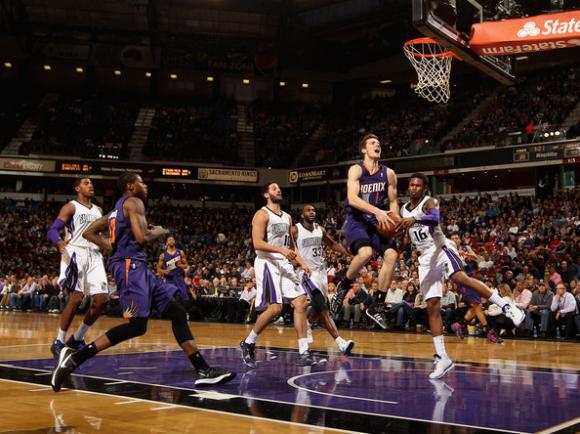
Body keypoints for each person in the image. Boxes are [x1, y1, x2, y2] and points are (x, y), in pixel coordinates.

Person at [50, 173, 234, 392]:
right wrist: (158, 231)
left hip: (137, 266)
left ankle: (203, 369)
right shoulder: (134, 202)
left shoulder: (115, 210)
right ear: (130, 186)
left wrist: (113, 248)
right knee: (137, 326)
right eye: (141, 182)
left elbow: (89, 232)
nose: (145, 186)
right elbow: (142, 238)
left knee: (176, 312)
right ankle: (74, 359)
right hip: (130, 268)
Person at [396, 173, 525, 379]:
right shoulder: (403, 210)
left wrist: (414, 218)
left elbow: (434, 218)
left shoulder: (429, 202)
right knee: (432, 307)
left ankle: (507, 307)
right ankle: (442, 357)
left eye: (417, 185)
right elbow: (407, 236)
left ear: (424, 188)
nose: (413, 188)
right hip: (424, 260)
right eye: (411, 185)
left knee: (461, 279)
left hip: (441, 250)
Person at [240, 182, 321, 368]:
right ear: (266, 194)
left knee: (301, 302)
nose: (279, 190)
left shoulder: (287, 217)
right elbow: (257, 243)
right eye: (274, 188)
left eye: (279, 188)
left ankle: (303, 352)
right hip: (267, 262)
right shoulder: (261, 214)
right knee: (276, 309)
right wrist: (281, 251)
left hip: (284, 263)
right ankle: (249, 341)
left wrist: (303, 263)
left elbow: (291, 246)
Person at [331, 133, 400, 330]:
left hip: (377, 222)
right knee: (366, 253)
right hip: (357, 220)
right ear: (364, 150)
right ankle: (343, 286)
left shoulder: (389, 173)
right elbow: (352, 199)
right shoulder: (356, 170)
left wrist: (392, 221)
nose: (377, 145)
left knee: (392, 254)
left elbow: (394, 201)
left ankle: (378, 304)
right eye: (372, 143)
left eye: (378, 143)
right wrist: (378, 211)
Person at [46, 178, 109, 359]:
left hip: (95, 255)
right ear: (77, 188)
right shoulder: (71, 207)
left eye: (91, 183)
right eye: (86, 183)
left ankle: (77, 338)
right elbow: (53, 229)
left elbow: (103, 235)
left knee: (102, 300)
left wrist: (106, 246)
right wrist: (58, 242)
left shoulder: (98, 210)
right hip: (75, 253)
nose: (90, 185)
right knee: (76, 297)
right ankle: (58, 341)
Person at [292, 204, 354, 354]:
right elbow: (288, 247)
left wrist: (348, 253)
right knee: (323, 307)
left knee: (321, 308)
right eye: (308, 210)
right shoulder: (295, 229)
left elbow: (332, 244)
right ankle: (341, 343)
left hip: (321, 272)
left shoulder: (320, 229)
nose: (312, 212)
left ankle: (306, 323)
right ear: (302, 215)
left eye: (313, 210)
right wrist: (295, 262)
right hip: (306, 273)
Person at [449, 233, 503, 343]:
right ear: (450, 241)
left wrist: (465, 254)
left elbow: (476, 257)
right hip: (462, 280)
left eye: (457, 237)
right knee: (478, 305)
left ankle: (460, 324)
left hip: (471, 277)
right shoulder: (449, 251)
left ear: (460, 239)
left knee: (476, 305)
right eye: (453, 238)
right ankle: (489, 331)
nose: (456, 239)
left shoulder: (466, 247)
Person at [157, 236, 189, 304]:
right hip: (170, 279)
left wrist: (181, 265)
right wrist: (164, 271)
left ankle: (185, 313)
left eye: (173, 240)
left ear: (175, 241)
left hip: (179, 278)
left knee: (185, 299)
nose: (171, 241)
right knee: (172, 300)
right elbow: (158, 269)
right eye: (169, 240)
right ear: (167, 243)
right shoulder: (163, 255)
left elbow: (186, 265)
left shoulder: (180, 252)